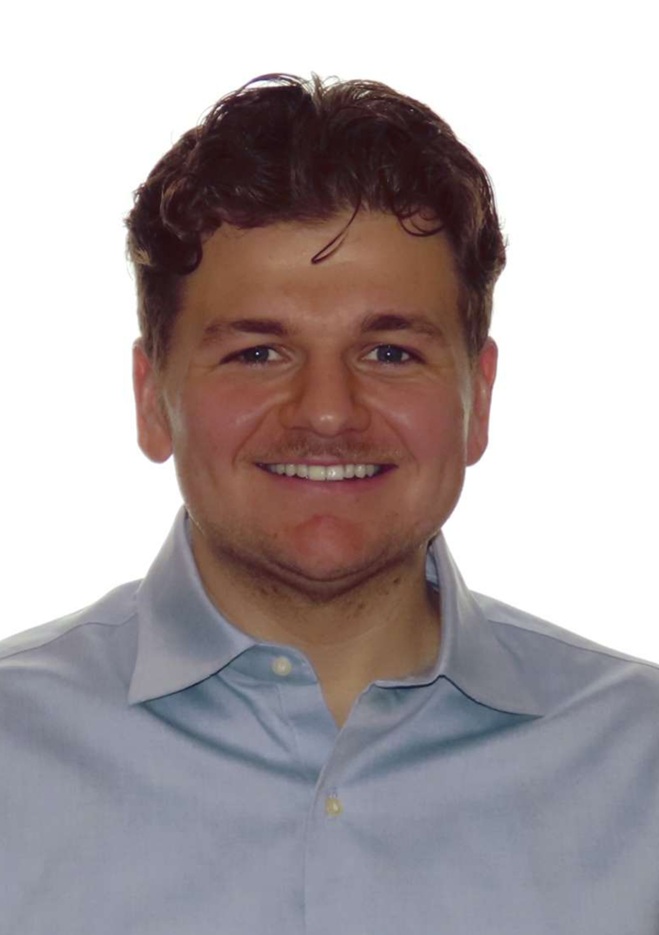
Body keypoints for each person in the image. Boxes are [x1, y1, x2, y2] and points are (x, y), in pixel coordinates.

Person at [1, 74, 658, 935]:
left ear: (478, 399)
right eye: (258, 353)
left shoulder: (639, 764)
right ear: (152, 398)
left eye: (388, 352)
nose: (325, 412)